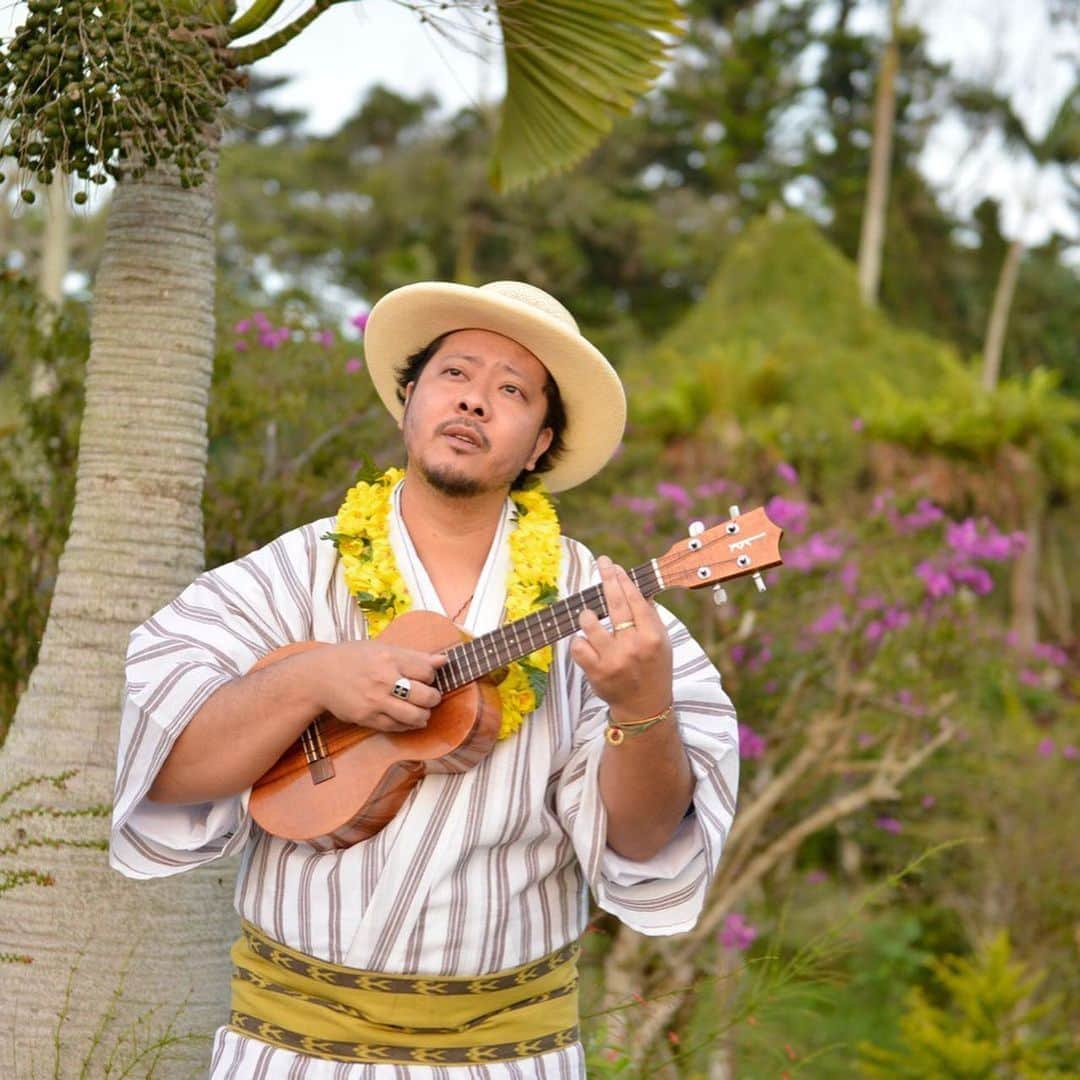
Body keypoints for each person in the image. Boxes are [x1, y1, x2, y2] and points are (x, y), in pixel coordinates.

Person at [110, 280, 740, 1078]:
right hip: (289, 1053)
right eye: (455, 375)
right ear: (408, 400)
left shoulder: (604, 607)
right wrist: (312, 676)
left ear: (542, 442)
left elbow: (649, 840)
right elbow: (167, 770)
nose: (476, 402)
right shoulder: (292, 575)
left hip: (506, 1058)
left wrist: (643, 706)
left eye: (511, 391)